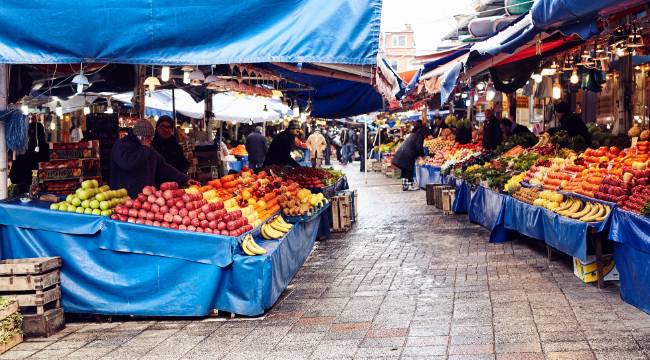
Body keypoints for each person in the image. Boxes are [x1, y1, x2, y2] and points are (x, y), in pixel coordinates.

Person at [110, 119, 198, 198]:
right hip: (125, 198)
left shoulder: (147, 148)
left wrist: (184, 179)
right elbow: (128, 164)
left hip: (147, 198)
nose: (150, 140)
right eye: (148, 137)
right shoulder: (122, 145)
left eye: (151, 137)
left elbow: (163, 166)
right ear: (141, 136)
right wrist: (144, 148)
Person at [9, 119, 50, 194]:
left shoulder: (23, 152)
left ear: (29, 134)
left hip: (26, 191)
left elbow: (14, 178)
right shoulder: (49, 151)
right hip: (47, 190)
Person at [391, 122, 430, 191]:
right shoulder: (419, 136)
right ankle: (409, 186)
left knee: (405, 170)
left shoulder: (414, 134)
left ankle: (405, 185)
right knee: (408, 170)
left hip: (402, 154)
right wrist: (423, 156)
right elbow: (419, 148)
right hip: (407, 155)